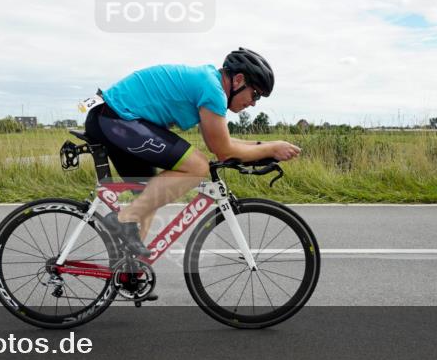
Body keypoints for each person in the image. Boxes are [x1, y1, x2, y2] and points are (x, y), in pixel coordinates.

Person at [83, 48, 301, 256]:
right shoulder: (213, 90)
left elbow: (222, 141)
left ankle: (130, 271)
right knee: (197, 166)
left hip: (114, 118)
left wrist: (265, 147)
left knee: (149, 197)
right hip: (115, 118)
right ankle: (121, 220)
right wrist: (271, 148)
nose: (253, 104)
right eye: (255, 95)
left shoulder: (209, 83)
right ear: (238, 80)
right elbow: (223, 151)